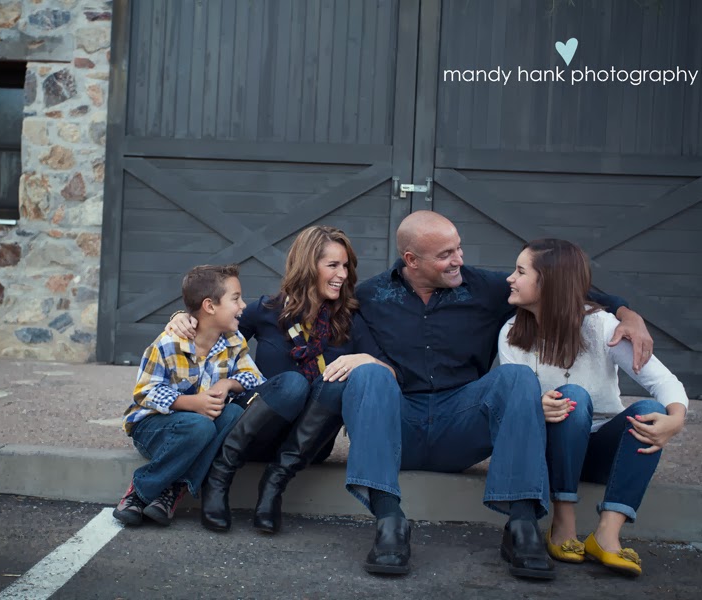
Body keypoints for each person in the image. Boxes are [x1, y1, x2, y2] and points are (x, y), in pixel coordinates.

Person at [287, 211, 654, 579]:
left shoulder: (485, 288)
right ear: (412, 260)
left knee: (516, 378)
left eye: (458, 248)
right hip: (400, 425)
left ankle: (522, 525)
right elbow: (315, 313)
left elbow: (562, 284)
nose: (459, 259)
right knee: (367, 373)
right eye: (446, 254)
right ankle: (389, 522)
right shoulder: (371, 295)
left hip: (462, 424)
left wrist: (627, 313)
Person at [167, 226, 399, 554]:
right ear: (307, 265)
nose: (342, 275)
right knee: (292, 383)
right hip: (258, 433)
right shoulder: (265, 312)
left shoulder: (349, 320)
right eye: (333, 265)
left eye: (346, 266)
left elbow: (390, 374)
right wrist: (181, 317)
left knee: (338, 380)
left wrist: (363, 359)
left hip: (309, 446)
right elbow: (210, 336)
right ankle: (220, 476)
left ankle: (274, 484)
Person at [498, 238, 688, 577]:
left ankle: (607, 535)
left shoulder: (603, 327)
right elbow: (510, 403)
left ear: (550, 283)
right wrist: (534, 408)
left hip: (601, 452)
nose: (510, 278)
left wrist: (676, 419)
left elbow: (664, 381)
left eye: (521, 271)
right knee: (573, 396)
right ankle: (563, 526)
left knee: (647, 407)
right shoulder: (512, 333)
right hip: (550, 453)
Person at [113, 264, 269, 527]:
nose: (243, 305)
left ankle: (172, 490)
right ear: (210, 306)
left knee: (232, 413)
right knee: (200, 424)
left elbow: (256, 379)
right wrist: (191, 403)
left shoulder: (233, 342)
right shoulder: (169, 343)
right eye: (236, 298)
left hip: (200, 429)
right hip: (153, 428)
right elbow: (144, 393)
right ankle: (140, 492)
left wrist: (230, 383)